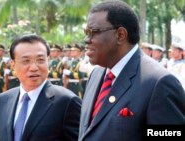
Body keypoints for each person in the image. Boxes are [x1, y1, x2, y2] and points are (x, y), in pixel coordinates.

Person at [79, 1, 185, 141]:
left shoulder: (159, 83)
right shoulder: (96, 74)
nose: (86, 40)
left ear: (120, 35)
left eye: (93, 32)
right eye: (86, 33)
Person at [0, 34, 81, 141]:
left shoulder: (67, 102)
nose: (34, 67)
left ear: (47, 60)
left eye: (40, 60)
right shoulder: (4, 99)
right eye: (26, 61)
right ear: (13, 64)